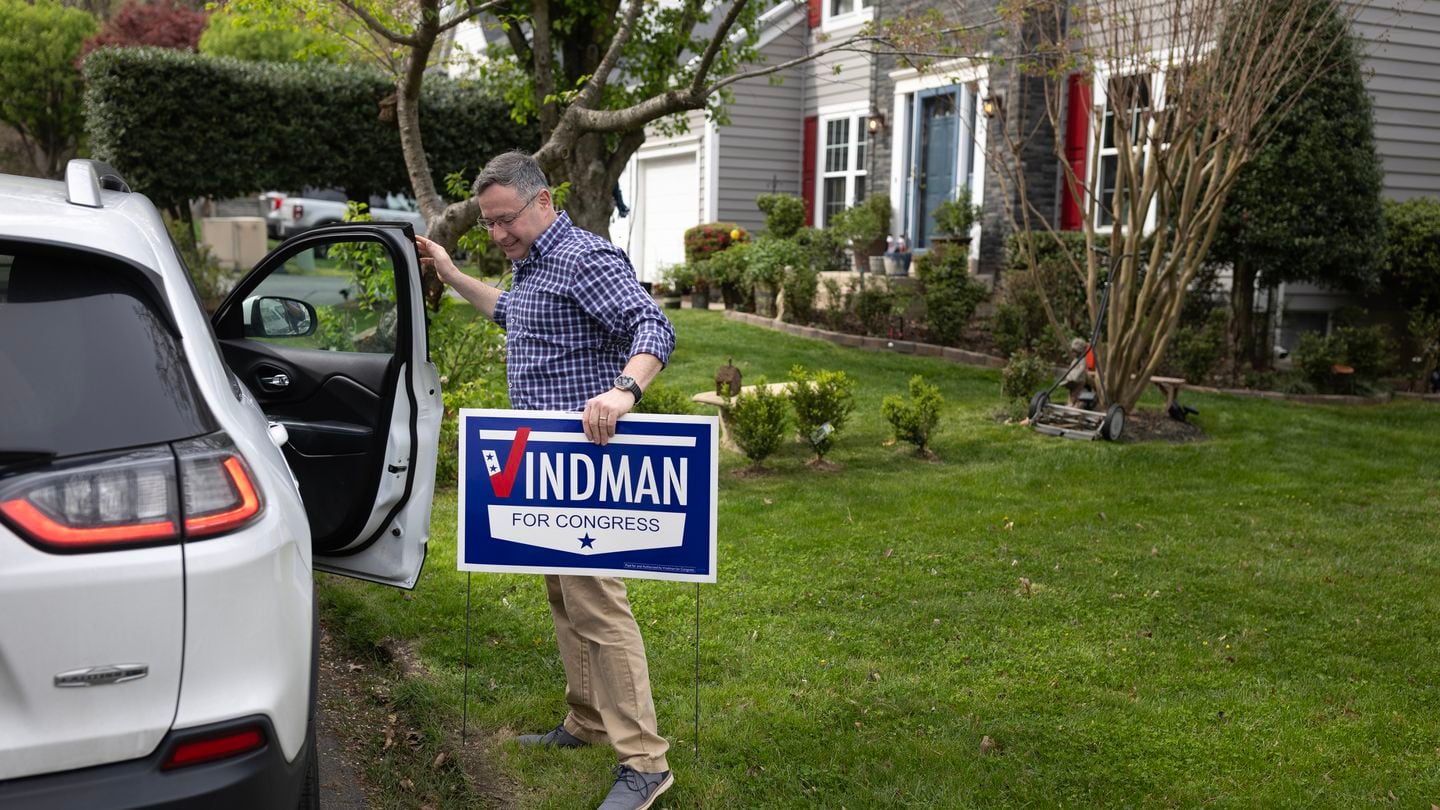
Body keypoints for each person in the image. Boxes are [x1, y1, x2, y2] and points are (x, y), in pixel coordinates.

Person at [415, 151, 675, 810]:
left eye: (506, 222)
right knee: (564, 598)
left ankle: (645, 763)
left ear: (544, 201)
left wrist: (623, 391)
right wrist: (451, 273)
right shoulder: (531, 268)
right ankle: (586, 720)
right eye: (491, 226)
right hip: (543, 472)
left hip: (586, 469)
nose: (499, 236)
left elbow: (653, 326)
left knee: (597, 606)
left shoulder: (586, 259)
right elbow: (515, 316)